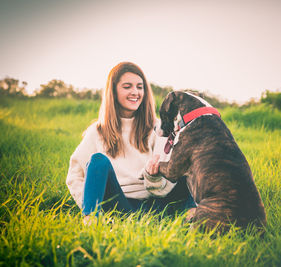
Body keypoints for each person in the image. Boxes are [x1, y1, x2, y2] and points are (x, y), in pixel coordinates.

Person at [66, 62, 195, 222]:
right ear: (113, 91)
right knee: (98, 161)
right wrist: (87, 203)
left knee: (186, 160)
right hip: (118, 204)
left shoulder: (158, 128)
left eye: (140, 87)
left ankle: (195, 219)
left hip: (157, 203)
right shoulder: (97, 131)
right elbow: (75, 175)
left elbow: (167, 180)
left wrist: (153, 176)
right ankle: (92, 220)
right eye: (127, 87)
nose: (135, 92)